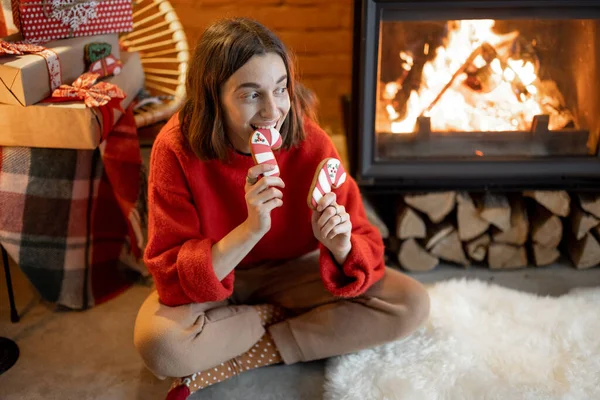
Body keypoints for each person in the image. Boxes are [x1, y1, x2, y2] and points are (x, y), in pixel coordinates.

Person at [133, 17, 430, 400]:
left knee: (410, 304)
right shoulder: (174, 150)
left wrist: (339, 244)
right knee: (161, 346)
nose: (273, 111)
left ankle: (258, 344)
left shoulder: (311, 143)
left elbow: (366, 245)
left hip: (292, 274)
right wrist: (250, 229)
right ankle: (275, 320)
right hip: (217, 281)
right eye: (250, 94)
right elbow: (170, 277)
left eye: (280, 89)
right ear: (213, 98)